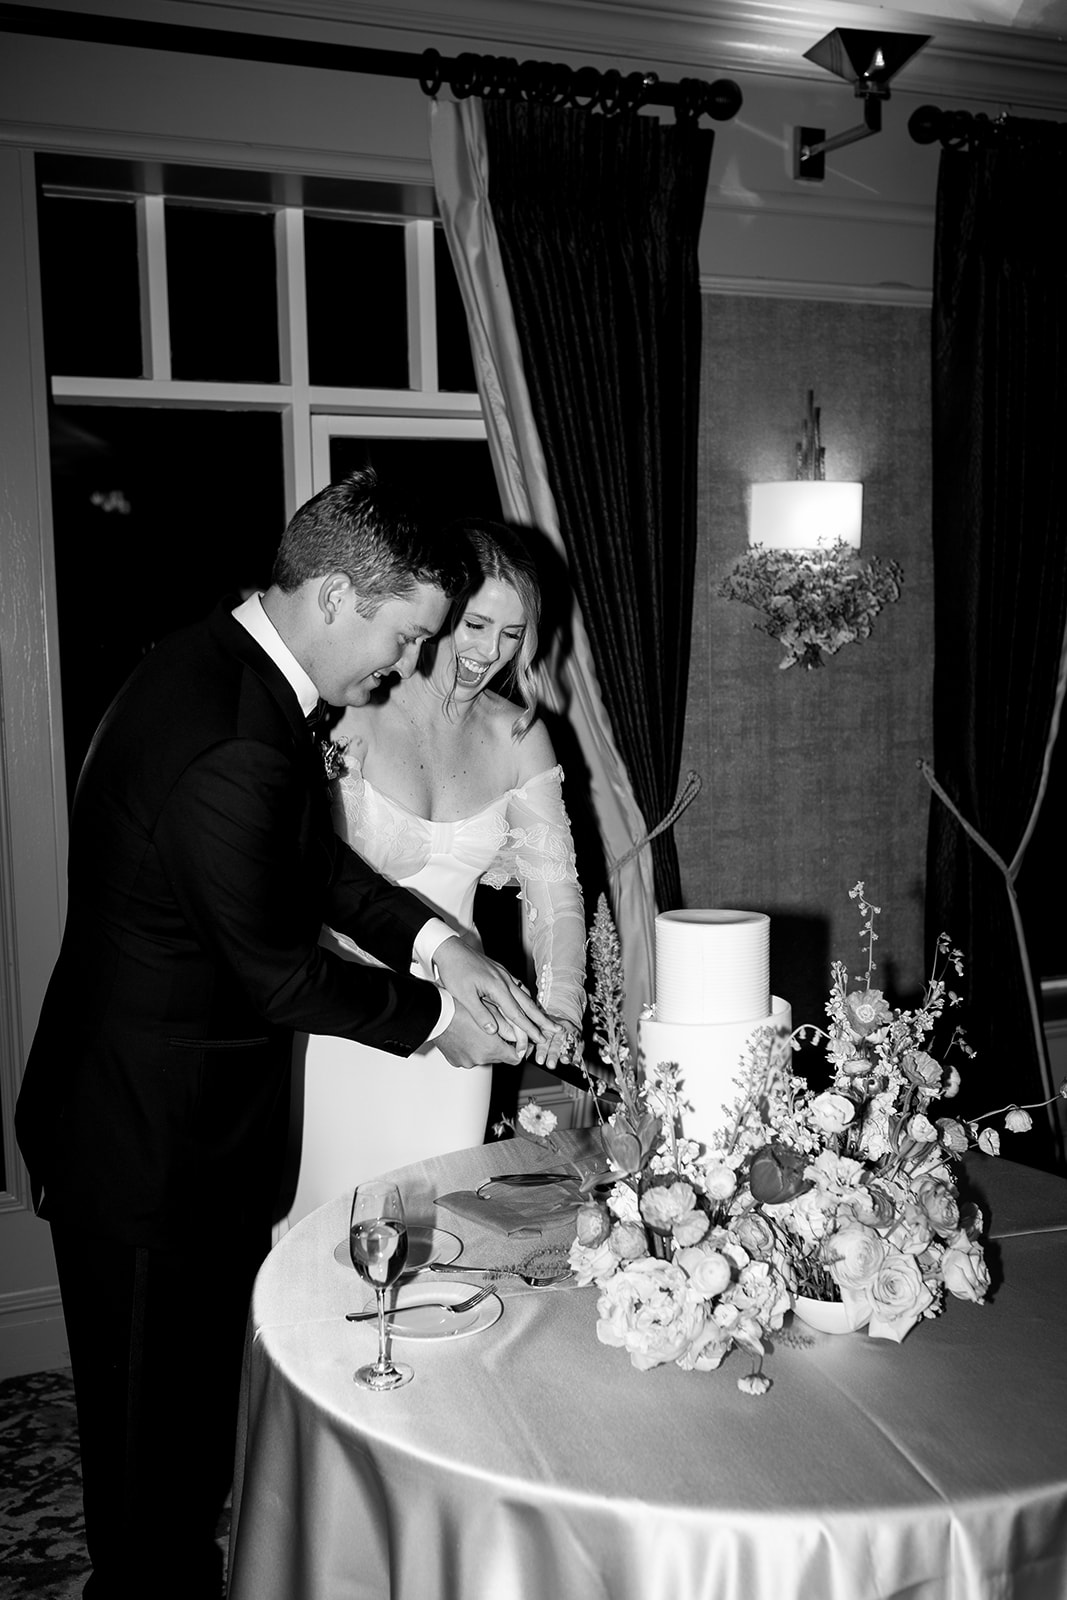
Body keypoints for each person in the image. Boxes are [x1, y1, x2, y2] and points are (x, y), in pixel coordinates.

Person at [14, 471, 557, 1600]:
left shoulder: (231, 677)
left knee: (188, 1442)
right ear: (341, 598)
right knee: (148, 1486)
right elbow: (272, 970)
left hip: (177, 1132)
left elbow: (315, 867)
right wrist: (439, 1024)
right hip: (145, 1149)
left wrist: (436, 943)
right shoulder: (230, 732)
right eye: (407, 635)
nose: (408, 667)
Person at [281, 519, 586, 1228]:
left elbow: (555, 897)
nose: (489, 652)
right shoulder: (349, 714)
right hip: (340, 1028)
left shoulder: (520, 733)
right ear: (441, 612)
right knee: (324, 1236)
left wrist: (561, 1006)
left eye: (512, 634)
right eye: (477, 624)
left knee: (434, 1237)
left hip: (461, 1039)